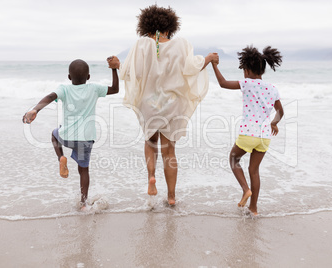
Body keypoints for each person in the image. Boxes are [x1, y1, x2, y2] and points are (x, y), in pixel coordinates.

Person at [113, 5, 218, 205]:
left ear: (146, 26)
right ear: (170, 27)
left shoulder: (142, 44)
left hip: (149, 104)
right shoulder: (181, 44)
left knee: (150, 143)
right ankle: (171, 197)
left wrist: (118, 65)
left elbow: (129, 72)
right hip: (173, 104)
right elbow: (192, 67)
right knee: (169, 151)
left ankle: (151, 178)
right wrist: (209, 58)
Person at [22, 58, 120, 211]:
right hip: (86, 139)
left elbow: (49, 97)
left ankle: (61, 156)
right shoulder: (94, 88)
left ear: (69, 77)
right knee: (84, 170)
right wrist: (114, 69)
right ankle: (83, 204)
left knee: (54, 134)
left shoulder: (64, 89)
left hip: (66, 137)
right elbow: (115, 89)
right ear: (88, 77)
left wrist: (35, 109)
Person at [211, 45, 284, 216]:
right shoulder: (272, 88)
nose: (243, 73)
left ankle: (245, 190)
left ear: (248, 69)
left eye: (244, 69)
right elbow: (280, 111)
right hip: (264, 137)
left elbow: (222, 84)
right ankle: (254, 208)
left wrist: (214, 65)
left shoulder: (247, 84)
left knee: (233, 159)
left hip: (248, 133)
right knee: (254, 171)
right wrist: (274, 123)